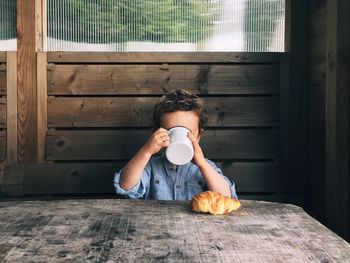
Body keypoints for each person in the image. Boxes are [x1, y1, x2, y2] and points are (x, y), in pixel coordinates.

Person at [113, 89, 237, 200]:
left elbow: (226, 197)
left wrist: (202, 164)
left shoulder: (206, 167)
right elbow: (126, 187)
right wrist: (146, 151)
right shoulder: (149, 166)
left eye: (188, 132)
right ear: (157, 134)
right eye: (172, 131)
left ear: (199, 136)